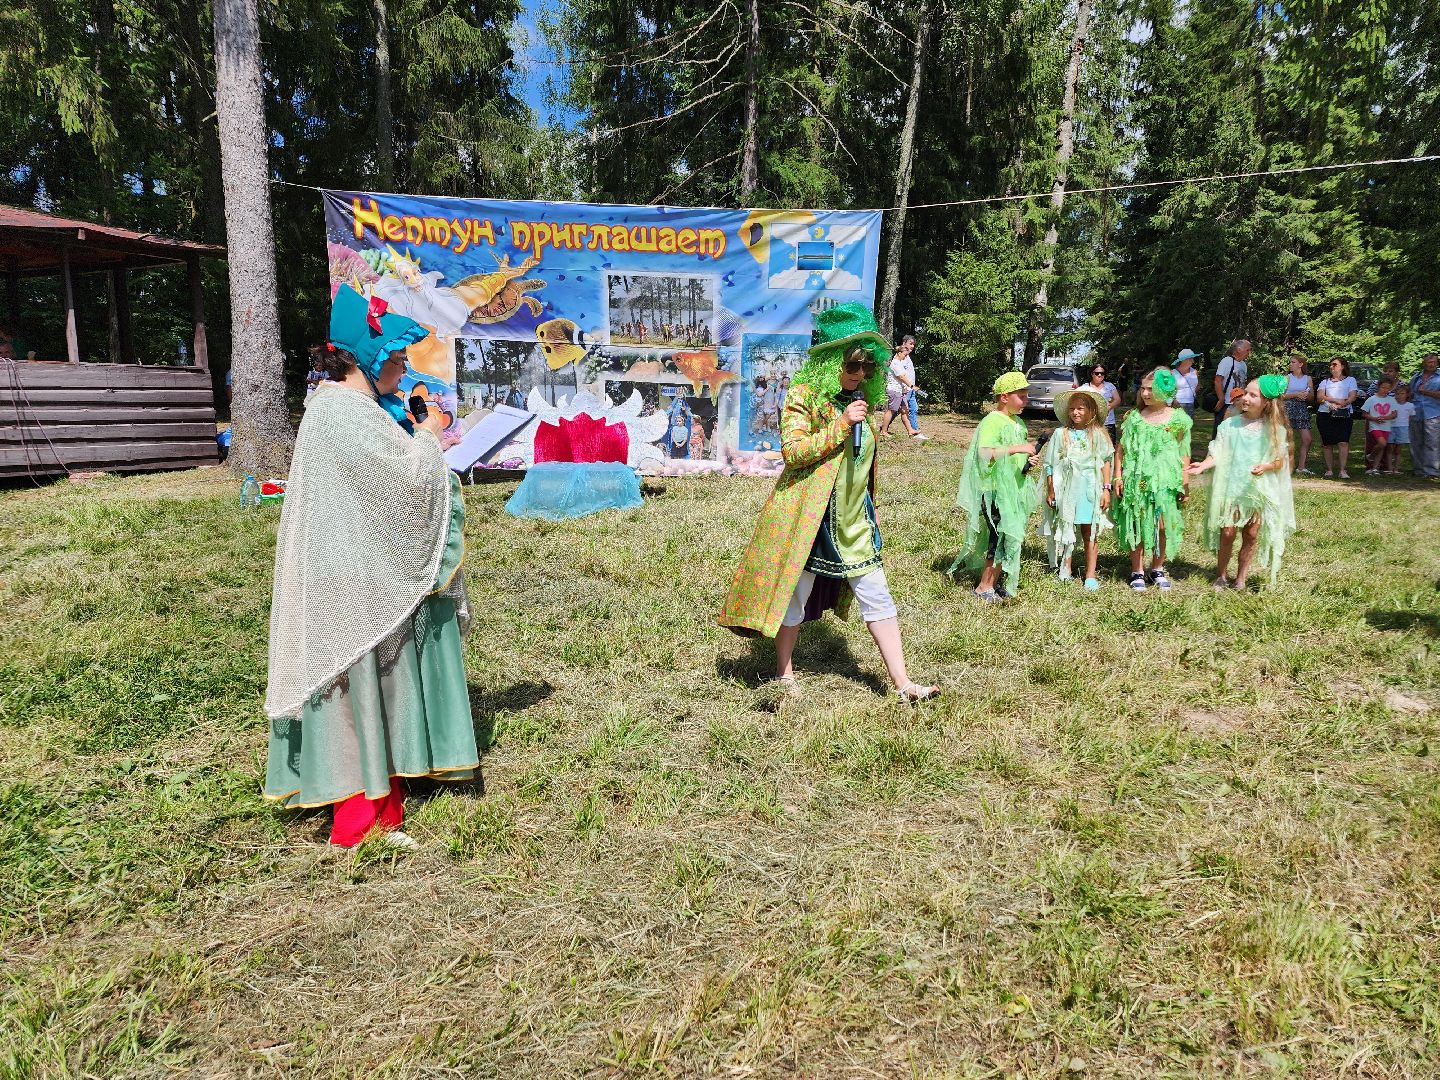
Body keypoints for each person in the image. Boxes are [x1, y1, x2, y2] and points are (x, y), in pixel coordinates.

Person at [263, 285, 477, 849]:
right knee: (352, 696)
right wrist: (430, 435)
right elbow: (404, 485)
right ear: (372, 358)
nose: (405, 370)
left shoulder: (344, 407)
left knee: (368, 692)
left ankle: (382, 807)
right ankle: (357, 822)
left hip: (352, 569)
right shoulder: (342, 412)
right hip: (350, 578)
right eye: (400, 359)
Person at [718, 303, 939, 703]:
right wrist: (841, 425)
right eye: (853, 365)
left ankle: (903, 684)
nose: (860, 375)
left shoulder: (858, 402)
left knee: (878, 596)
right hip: (813, 519)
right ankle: (784, 674)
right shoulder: (805, 396)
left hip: (854, 519)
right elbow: (795, 452)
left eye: (868, 368)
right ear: (830, 361)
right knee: (795, 596)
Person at [1188, 375, 1295, 588]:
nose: (1245, 397)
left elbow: (1279, 461)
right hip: (1232, 487)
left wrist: (1265, 467)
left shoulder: (1274, 430)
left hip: (1257, 490)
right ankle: (1221, 575)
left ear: (1266, 402)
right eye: (1246, 392)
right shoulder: (1229, 426)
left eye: (1252, 395)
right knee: (1227, 532)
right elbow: (1217, 452)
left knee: (1251, 534)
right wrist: (1203, 465)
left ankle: (1241, 577)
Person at [950, 371, 1041, 600]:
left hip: (1013, 488)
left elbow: (1014, 456)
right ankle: (983, 587)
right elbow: (984, 453)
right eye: (1021, 395)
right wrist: (1017, 449)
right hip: (994, 490)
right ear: (1004, 397)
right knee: (999, 536)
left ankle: (995, 582)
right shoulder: (992, 420)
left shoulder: (1018, 422)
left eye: (1026, 395)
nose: (1026, 400)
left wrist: (1027, 460)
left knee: (1010, 535)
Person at [1114, 367, 1192, 591]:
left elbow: (1183, 453)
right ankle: (1136, 570)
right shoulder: (1135, 418)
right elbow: (1121, 450)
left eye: (1151, 389)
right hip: (1137, 481)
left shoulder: (1178, 419)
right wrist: (1118, 476)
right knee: (1137, 522)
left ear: (1164, 390)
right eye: (1143, 389)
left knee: (1163, 524)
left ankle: (1157, 567)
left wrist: (1184, 483)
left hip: (1166, 481)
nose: (1145, 393)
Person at [1040, 387, 1113, 590]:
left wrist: (1106, 488)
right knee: (1066, 527)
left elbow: (1106, 461)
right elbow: (1050, 464)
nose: (1076, 412)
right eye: (1072, 409)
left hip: (1090, 488)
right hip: (1067, 489)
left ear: (1090, 410)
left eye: (1080, 408)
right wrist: (1051, 490)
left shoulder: (1098, 434)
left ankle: (1090, 574)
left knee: (1090, 530)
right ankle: (1066, 568)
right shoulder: (1060, 434)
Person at [1315, 357, 1358, 479]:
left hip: (1344, 414)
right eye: (1330, 365)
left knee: (1343, 442)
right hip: (1325, 414)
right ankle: (1329, 470)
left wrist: (1342, 404)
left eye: (1335, 364)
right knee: (1327, 443)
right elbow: (1319, 397)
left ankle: (1342, 470)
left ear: (1343, 366)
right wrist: (1332, 402)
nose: (1331, 367)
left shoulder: (1350, 380)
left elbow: (1352, 396)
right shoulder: (1325, 382)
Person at [881, 334, 923, 440]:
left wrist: (906, 388)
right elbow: (901, 377)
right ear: (899, 353)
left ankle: (910, 431)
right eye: (904, 354)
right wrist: (911, 386)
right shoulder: (895, 363)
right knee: (891, 411)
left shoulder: (899, 361)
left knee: (905, 411)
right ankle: (883, 431)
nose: (905, 356)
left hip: (901, 390)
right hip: (894, 390)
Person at [1280, 353, 1314, 474]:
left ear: (1301, 364)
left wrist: (1305, 395)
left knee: (1307, 439)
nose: (1290, 364)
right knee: (1285, 438)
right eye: (1290, 362)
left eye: (1293, 362)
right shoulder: (1287, 378)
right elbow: (1280, 395)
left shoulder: (1308, 379)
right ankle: (1282, 465)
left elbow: (1311, 397)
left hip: (1301, 409)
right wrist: (1295, 395)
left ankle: (1301, 467)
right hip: (1287, 409)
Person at [1409, 352, 1440, 479]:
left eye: (1434, 362)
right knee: (1416, 442)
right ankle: (1419, 470)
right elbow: (1411, 393)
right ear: (1424, 363)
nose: (1432, 364)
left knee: (1432, 443)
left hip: (1433, 414)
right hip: (1415, 413)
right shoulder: (1416, 377)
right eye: (1429, 362)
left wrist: (1425, 391)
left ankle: (1432, 471)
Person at [1361, 376, 1400, 474]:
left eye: (1388, 388)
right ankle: (1370, 456)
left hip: (1386, 427)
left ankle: (1375, 468)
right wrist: (1374, 419)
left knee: (1381, 447)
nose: (1385, 390)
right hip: (1375, 426)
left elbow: (1394, 414)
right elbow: (1364, 414)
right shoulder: (1371, 399)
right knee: (1382, 443)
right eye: (1383, 387)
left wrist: (1385, 418)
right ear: (1378, 386)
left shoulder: (1391, 400)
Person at [1212, 338, 1251, 429]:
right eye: (1247, 350)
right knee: (1221, 430)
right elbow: (1218, 380)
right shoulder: (1227, 361)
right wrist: (1221, 399)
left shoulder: (1243, 365)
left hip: (1239, 404)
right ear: (1239, 349)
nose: (1249, 352)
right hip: (1226, 403)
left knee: (1235, 430)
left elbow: (1243, 383)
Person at [1085, 363, 1120, 445]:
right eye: (1097, 373)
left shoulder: (1109, 386)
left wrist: (1109, 407)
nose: (1100, 375)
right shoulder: (1085, 387)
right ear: (1092, 374)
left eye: (1102, 373)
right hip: (1091, 423)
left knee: (1109, 448)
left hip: (1108, 423)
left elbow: (1117, 400)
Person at [1387, 383, 1414, 476]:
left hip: (1403, 428)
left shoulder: (1410, 406)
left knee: (1398, 449)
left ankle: (1396, 468)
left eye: (1402, 393)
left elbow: (1410, 418)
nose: (1399, 396)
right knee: (1390, 448)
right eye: (1397, 394)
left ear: (1407, 395)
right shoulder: (1391, 404)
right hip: (1391, 427)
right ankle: (1390, 468)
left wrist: (1407, 427)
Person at [1172, 349, 1202, 416]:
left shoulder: (1194, 372)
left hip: (1191, 403)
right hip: (1177, 404)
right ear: (1183, 360)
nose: (1193, 361)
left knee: (1189, 425)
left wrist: (1192, 393)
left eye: (1192, 358)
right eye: (1190, 359)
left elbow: (1198, 385)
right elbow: (1169, 390)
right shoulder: (1173, 373)